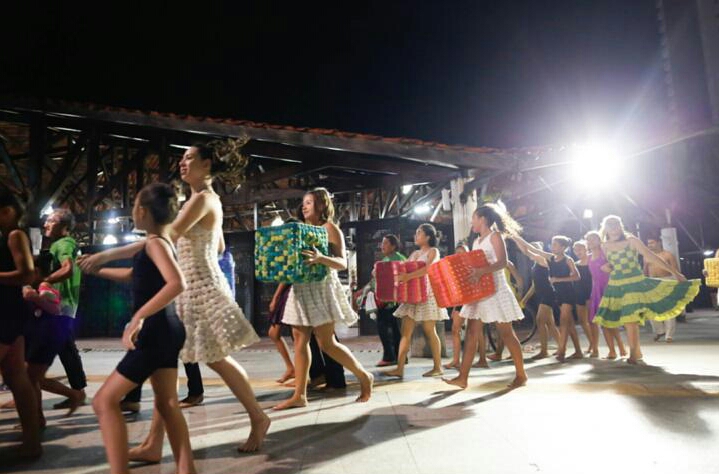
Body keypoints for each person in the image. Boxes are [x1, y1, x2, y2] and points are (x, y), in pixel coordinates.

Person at [81, 142, 270, 455]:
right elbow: (220, 246)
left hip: (200, 288)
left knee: (214, 359)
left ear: (207, 164)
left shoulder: (204, 199)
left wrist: (107, 254)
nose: (183, 162)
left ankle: (258, 417)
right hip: (194, 285)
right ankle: (154, 443)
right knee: (166, 366)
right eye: (182, 158)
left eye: (190, 158)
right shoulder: (202, 200)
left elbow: (162, 237)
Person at [83, 183, 195, 474]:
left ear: (142, 211)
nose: (132, 210)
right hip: (169, 328)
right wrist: (97, 270)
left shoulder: (155, 244)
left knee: (104, 401)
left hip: (156, 330)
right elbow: (133, 275)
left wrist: (139, 317)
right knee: (167, 404)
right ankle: (187, 469)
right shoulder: (159, 242)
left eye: (134, 205)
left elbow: (177, 283)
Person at [273, 188, 373, 410]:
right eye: (304, 202)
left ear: (321, 205)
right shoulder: (300, 230)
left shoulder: (329, 228)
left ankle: (363, 375)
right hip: (300, 286)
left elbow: (342, 263)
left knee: (327, 344)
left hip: (321, 287)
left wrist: (320, 258)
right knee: (299, 340)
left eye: (309, 202)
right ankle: (300, 395)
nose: (304, 206)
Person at [594, 215, 700, 364]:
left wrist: (675, 273)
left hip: (634, 283)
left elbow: (651, 257)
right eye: (609, 224)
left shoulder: (632, 240)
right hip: (616, 285)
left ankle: (633, 352)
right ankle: (636, 351)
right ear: (605, 228)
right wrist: (606, 267)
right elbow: (609, 264)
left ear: (620, 225)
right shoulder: (604, 246)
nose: (613, 227)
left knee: (631, 320)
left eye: (615, 223)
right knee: (622, 320)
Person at [444, 203, 528, 389]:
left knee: (506, 334)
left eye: (473, 218)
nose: (471, 222)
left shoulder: (495, 236)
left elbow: (503, 262)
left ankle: (521, 375)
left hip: (497, 290)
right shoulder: (476, 241)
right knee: (471, 333)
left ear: (482, 219)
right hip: (480, 291)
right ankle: (463, 378)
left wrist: (481, 271)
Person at [0, 187, 41, 459]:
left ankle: (32, 442)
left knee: (17, 377)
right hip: (10, 311)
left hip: (6, 313)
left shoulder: (15, 235)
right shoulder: (9, 235)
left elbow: (27, 274)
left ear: (7, 211)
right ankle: (31, 442)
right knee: (16, 376)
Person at [23, 252, 84, 428]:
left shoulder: (44, 286)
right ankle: (37, 418)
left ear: (37, 271)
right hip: (39, 336)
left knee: (31, 378)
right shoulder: (34, 286)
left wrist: (35, 298)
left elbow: (54, 308)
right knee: (32, 379)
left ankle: (73, 395)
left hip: (45, 336)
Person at [384, 223, 448, 379]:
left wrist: (407, 276)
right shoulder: (415, 253)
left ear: (428, 236)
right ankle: (399, 368)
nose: (416, 235)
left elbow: (428, 269)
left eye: (419, 233)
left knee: (429, 330)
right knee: (405, 332)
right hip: (412, 294)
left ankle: (438, 367)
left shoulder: (433, 251)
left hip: (427, 293)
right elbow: (403, 267)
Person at [43, 209, 87, 410]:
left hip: (59, 303)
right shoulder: (64, 244)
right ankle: (77, 391)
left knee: (65, 348)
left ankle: (77, 393)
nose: (46, 224)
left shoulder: (63, 243)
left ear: (65, 227)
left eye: (51, 221)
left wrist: (45, 280)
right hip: (63, 303)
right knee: (65, 348)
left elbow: (67, 268)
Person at [513, 239, 561, 360]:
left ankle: (544, 351)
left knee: (540, 321)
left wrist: (516, 238)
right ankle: (561, 347)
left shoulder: (542, 260)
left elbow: (526, 251)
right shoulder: (535, 265)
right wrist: (524, 299)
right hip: (543, 294)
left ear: (540, 250)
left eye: (535, 248)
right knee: (550, 324)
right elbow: (534, 286)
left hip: (548, 294)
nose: (532, 250)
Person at [585, 231, 626, 359]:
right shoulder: (588, 257)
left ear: (599, 240)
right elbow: (593, 277)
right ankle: (616, 350)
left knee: (609, 321)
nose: (590, 242)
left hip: (609, 288)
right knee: (603, 321)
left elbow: (617, 267)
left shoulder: (605, 253)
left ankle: (618, 349)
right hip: (597, 290)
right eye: (588, 240)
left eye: (593, 239)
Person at [373, 234, 406, 367]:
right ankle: (400, 356)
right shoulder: (392, 258)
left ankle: (389, 356)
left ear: (393, 246)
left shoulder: (395, 259)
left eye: (386, 243)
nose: (383, 246)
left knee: (384, 328)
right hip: (393, 299)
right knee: (395, 329)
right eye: (382, 243)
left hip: (390, 300)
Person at [645, 236, 681, 343]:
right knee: (651, 309)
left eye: (652, 242)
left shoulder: (668, 255)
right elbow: (645, 271)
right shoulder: (647, 256)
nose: (650, 245)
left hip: (667, 281)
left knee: (668, 308)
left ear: (659, 242)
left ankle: (669, 335)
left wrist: (678, 282)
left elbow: (675, 270)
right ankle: (659, 331)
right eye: (648, 243)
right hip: (652, 282)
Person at [445, 242, 470, 370]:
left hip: (471, 301)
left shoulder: (471, 267)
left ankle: (482, 359)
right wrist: (455, 307)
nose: (459, 255)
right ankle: (456, 360)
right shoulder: (456, 269)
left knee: (475, 332)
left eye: (462, 252)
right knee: (455, 330)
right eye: (457, 253)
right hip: (460, 302)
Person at [573, 240, 598, 356]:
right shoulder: (575, 264)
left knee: (592, 321)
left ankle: (595, 347)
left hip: (590, 292)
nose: (578, 252)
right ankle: (591, 343)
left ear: (586, 249)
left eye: (580, 249)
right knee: (582, 321)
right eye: (575, 250)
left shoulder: (591, 260)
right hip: (579, 293)